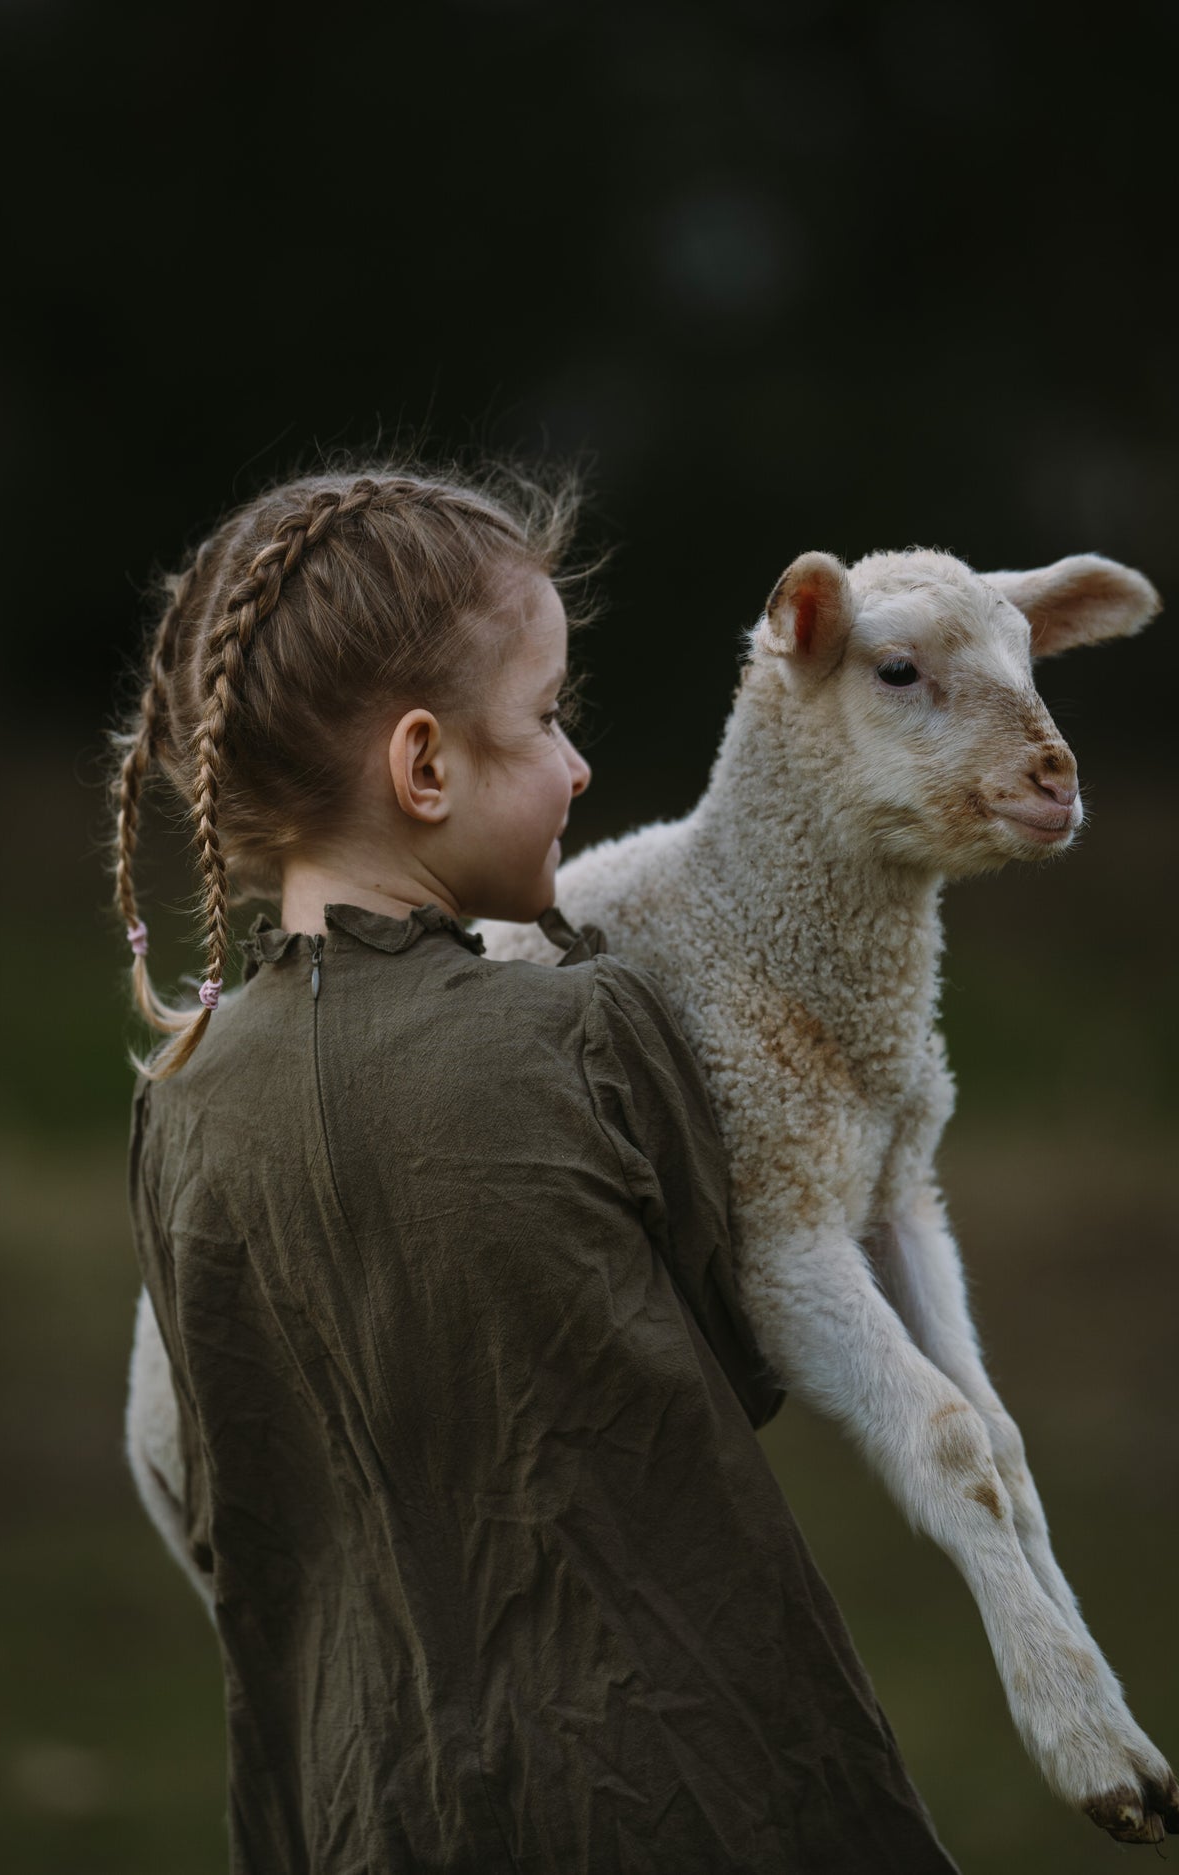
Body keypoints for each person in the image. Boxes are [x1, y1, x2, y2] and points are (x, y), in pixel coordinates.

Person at [111, 459, 959, 1873]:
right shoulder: (584, 1032)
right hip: (686, 1788)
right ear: (425, 767)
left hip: (364, 1807)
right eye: (550, 718)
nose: (578, 768)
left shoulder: (180, 1101)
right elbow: (739, 1356)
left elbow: (222, 1476)